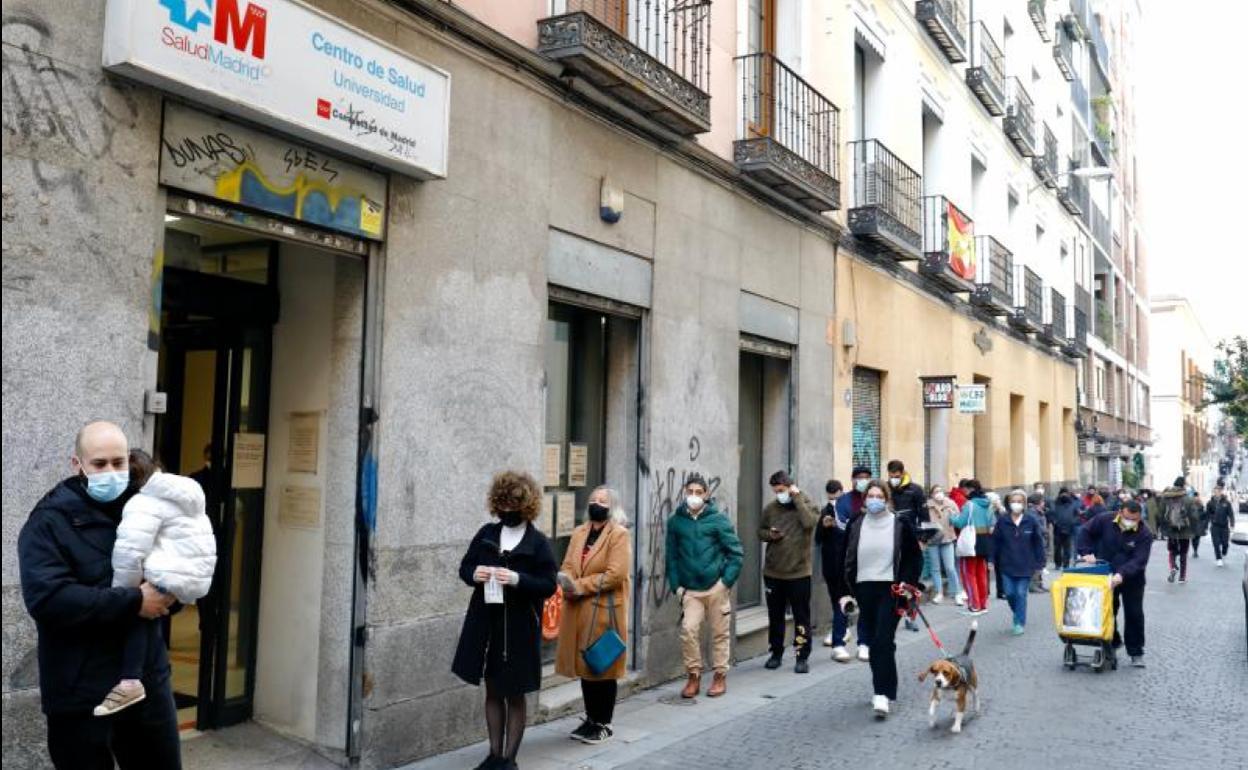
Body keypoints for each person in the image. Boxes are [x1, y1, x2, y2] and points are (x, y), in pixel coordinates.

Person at [18, 421, 181, 769]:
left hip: (147, 684)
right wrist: (136, 601)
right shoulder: (48, 521)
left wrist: (171, 594)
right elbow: (49, 600)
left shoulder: (144, 509)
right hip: (80, 691)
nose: (111, 471)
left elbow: (173, 572)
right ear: (77, 465)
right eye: (100, 464)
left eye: (118, 462)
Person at [96, 450, 216, 717]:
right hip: (193, 573)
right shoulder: (186, 490)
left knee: (139, 615)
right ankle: (142, 676)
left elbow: (129, 553)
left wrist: (124, 595)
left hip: (169, 572)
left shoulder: (143, 503)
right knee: (151, 617)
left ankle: (130, 681)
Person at [453, 471, 558, 770]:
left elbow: (548, 584)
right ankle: (493, 754)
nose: (508, 512)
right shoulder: (487, 533)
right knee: (493, 689)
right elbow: (465, 567)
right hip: (487, 625)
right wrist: (475, 574)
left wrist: (516, 578)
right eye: (503, 506)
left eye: (514, 506)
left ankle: (509, 759)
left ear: (525, 506)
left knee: (515, 693)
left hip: (520, 627)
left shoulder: (538, 542)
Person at [836, 481, 922, 718]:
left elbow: (914, 558)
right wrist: (844, 591)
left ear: (886, 498)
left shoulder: (899, 523)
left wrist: (906, 583)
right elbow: (843, 557)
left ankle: (881, 694)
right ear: (864, 499)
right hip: (864, 588)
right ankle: (886, 686)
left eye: (878, 495)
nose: (874, 499)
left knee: (883, 639)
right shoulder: (856, 523)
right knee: (876, 642)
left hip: (891, 589)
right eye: (870, 495)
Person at [555, 486, 631, 746]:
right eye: (593, 499)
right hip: (578, 608)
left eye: (603, 500)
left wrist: (580, 586)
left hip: (604, 609)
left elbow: (615, 574)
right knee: (585, 667)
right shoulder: (579, 532)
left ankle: (604, 723)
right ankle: (590, 718)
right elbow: (567, 564)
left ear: (613, 506)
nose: (596, 503)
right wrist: (566, 580)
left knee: (603, 664)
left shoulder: (619, 535)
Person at [666, 473, 744, 699]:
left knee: (719, 633)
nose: (693, 496)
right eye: (689, 492)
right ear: (684, 493)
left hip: (715, 588)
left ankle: (719, 675)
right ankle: (693, 676)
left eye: (698, 493)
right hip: (689, 590)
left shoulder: (718, 520)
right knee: (688, 631)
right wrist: (676, 587)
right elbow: (671, 557)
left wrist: (725, 583)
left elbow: (736, 554)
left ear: (706, 495)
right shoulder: (675, 522)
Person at [1076, 501, 1153, 667]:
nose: (1130, 522)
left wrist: (1121, 574)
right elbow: (1085, 532)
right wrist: (1086, 552)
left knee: (1134, 614)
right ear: (1120, 513)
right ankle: (1112, 641)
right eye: (1127, 518)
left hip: (1132, 578)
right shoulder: (1104, 520)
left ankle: (1136, 652)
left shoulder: (1145, 533)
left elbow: (1140, 560)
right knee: (1107, 610)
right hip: (1105, 574)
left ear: (1140, 517)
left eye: (1134, 519)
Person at [757, 471, 818, 673]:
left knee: (801, 616)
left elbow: (809, 523)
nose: (779, 495)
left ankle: (802, 656)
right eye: (776, 491)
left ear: (791, 487)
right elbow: (760, 531)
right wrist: (770, 535)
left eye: (782, 490)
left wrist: (797, 498)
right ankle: (776, 653)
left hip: (799, 573)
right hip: (774, 572)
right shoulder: (771, 509)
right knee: (775, 616)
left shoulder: (806, 503)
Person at [992, 490, 1047, 636]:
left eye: (1019, 501)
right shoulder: (1003, 521)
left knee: (1021, 593)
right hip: (1006, 564)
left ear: (1024, 504)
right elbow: (995, 542)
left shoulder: (1031, 520)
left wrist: (1041, 562)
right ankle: (1018, 612)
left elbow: (1038, 543)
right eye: (1013, 501)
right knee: (1010, 593)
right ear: (1009, 503)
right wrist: (991, 560)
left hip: (1025, 564)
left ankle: (1019, 622)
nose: (1016, 504)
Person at [837, 466, 875, 660]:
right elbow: (842, 526)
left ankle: (864, 643)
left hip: (870, 563)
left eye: (866, 478)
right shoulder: (844, 501)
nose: (862, 481)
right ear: (852, 480)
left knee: (866, 604)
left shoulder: (875, 500)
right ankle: (839, 642)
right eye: (859, 478)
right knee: (845, 602)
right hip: (849, 561)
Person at [817, 481, 852, 660]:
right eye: (830, 497)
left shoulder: (848, 510)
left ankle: (839, 637)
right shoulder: (825, 511)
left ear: (841, 493)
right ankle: (842, 629)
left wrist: (837, 528)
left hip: (845, 565)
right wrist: (824, 526)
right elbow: (818, 538)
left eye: (835, 496)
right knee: (835, 599)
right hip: (830, 564)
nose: (833, 500)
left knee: (842, 600)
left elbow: (851, 535)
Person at [951, 479, 994, 616]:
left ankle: (974, 606)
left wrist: (952, 517)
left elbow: (960, 522)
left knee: (968, 574)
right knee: (981, 573)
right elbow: (992, 522)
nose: (964, 492)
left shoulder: (969, 505)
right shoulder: (988, 504)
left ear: (970, 490)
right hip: (984, 541)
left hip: (971, 541)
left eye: (966, 490)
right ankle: (983, 604)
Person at [923, 484, 963, 605]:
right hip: (933, 540)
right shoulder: (927, 506)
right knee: (935, 568)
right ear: (931, 494)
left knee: (950, 567)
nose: (939, 493)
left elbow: (958, 521)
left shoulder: (950, 503)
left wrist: (953, 516)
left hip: (948, 538)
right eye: (936, 492)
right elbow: (923, 523)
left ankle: (957, 593)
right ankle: (939, 593)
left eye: (940, 491)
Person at [1157, 477, 1201, 584]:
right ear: (1183, 486)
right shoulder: (1188, 499)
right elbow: (1194, 516)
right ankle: (1182, 577)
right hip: (1185, 530)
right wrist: (1194, 530)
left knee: (1172, 551)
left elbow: (1160, 514)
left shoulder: (1166, 498)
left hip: (1171, 530)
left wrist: (1163, 528)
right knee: (1183, 553)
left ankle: (1172, 567)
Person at [1026, 493, 1050, 594]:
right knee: (1036, 563)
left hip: (1041, 540)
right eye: (1042, 501)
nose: (1044, 503)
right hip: (1036, 541)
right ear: (1038, 503)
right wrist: (1044, 530)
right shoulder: (1032, 513)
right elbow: (1036, 526)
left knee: (1040, 562)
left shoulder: (1038, 512)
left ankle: (1039, 583)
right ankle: (1033, 585)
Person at [1207, 484, 1236, 566]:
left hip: (1224, 527)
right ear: (1214, 492)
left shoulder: (1226, 503)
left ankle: (1224, 553)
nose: (1217, 493)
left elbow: (1231, 514)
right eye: (1215, 491)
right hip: (1215, 526)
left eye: (1219, 491)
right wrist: (1206, 523)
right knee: (1216, 543)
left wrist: (1232, 524)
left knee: (1225, 544)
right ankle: (1218, 558)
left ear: (1221, 492)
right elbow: (1207, 514)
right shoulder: (1210, 503)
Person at [1050, 488, 1080, 568]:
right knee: (1057, 548)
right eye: (1062, 493)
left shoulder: (1072, 504)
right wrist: (1054, 521)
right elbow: (1051, 514)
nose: (1064, 495)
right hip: (1057, 529)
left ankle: (1066, 563)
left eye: (1065, 493)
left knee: (1067, 548)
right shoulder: (1055, 504)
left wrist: (1073, 521)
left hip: (1068, 528)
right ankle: (1058, 563)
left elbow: (1077, 515)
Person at [1191, 490, 1209, 558]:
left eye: (1197, 496)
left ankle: (1196, 551)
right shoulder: (1191, 504)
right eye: (1195, 496)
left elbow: (1204, 514)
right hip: (1193, 524)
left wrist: (1204, 523)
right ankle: (1194, 550)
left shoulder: (1201, 504)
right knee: (1193, 538)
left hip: (1199, 523)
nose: (1196, 498)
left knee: (1197, 538)